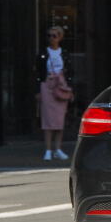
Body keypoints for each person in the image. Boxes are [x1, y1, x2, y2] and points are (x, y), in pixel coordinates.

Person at [36, 25, 74, 161]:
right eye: (49, 36)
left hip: (61, 86)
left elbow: (70, 72)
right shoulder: (43, 53)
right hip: (47, 85)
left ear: (60, 37)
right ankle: (48, 149)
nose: (51, 38)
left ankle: (58, 148)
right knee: (47, 120)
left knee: (59, 120)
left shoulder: (64, 53)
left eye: (54, 36)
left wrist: (70, 89)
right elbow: (38, 72)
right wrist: (38, 91)